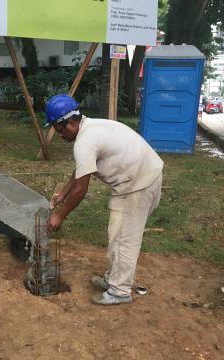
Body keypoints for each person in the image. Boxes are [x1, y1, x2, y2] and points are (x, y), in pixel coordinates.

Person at [45, 94, 164, 305]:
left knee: (125, 240)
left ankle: (119, 291)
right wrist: (63, 193)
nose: (60, 134)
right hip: (140, 178)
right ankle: (113, 279)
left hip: (138, 184)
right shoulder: (91, 127)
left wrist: (59, 216)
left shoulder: (84, 142)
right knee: (116, 235)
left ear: (70, 122)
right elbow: (83, 168)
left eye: (60, 128)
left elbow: (81, 189)